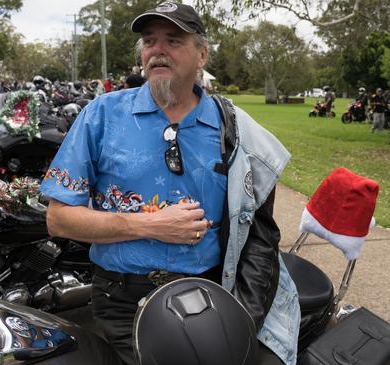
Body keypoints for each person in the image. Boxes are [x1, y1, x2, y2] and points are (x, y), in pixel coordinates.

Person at [40, 2, 299, 365]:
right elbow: (59, 218)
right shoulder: (101, 116)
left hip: (209, 298)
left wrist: (243, 318)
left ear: (202, 54)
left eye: (173, 40)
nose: (157, 50)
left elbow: (260, 238)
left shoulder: (237, 134)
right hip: (122, 302)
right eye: (150, 41)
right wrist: (151, 225)